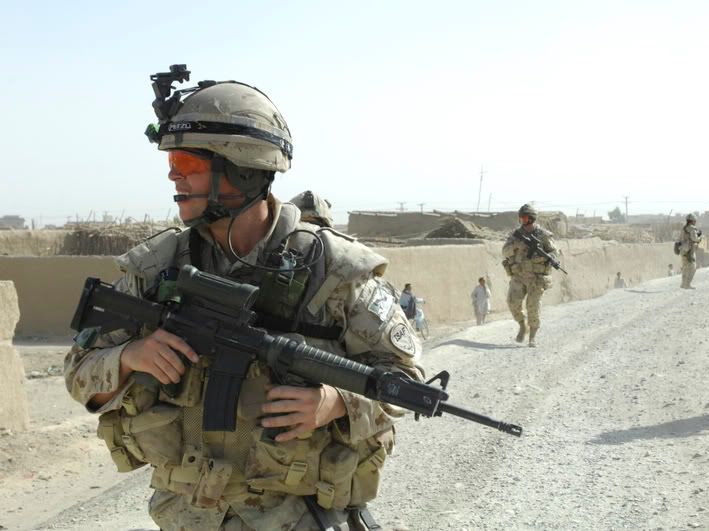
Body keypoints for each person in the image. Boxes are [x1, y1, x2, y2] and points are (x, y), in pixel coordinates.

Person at [64, 67, 424, 531]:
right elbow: (78, 374)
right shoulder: (156, 268)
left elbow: (404, 383)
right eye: (171, 162)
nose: (173, 175)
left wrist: (335, 402)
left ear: (242, 168)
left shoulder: (335, 271)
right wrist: (131, 356)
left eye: (187, 163)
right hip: (188, 517)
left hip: (298, 515)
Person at [502, 202, 559, 346]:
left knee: (533, 307)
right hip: (519, 275)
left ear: (532, 218)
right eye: (521, 217)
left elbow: (554, 252)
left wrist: (546, 257)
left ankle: (532, 336)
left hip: (536, 278)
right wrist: (515, 246)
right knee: (512, 303)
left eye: (525, 217)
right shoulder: (516, 235)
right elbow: (504, 251)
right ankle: (522, 326)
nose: (522, 220)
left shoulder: (543, 235)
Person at [679, 213, 703, 289]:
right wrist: (700, 237)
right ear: (692, 221)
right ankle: (687, 284)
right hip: (689, 251)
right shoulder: (692, 228)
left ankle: (683, 284)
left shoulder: (684, 228)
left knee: (685, 268)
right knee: (693, 268)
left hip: (683, 250)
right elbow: (694, 239)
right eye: (694, 221)